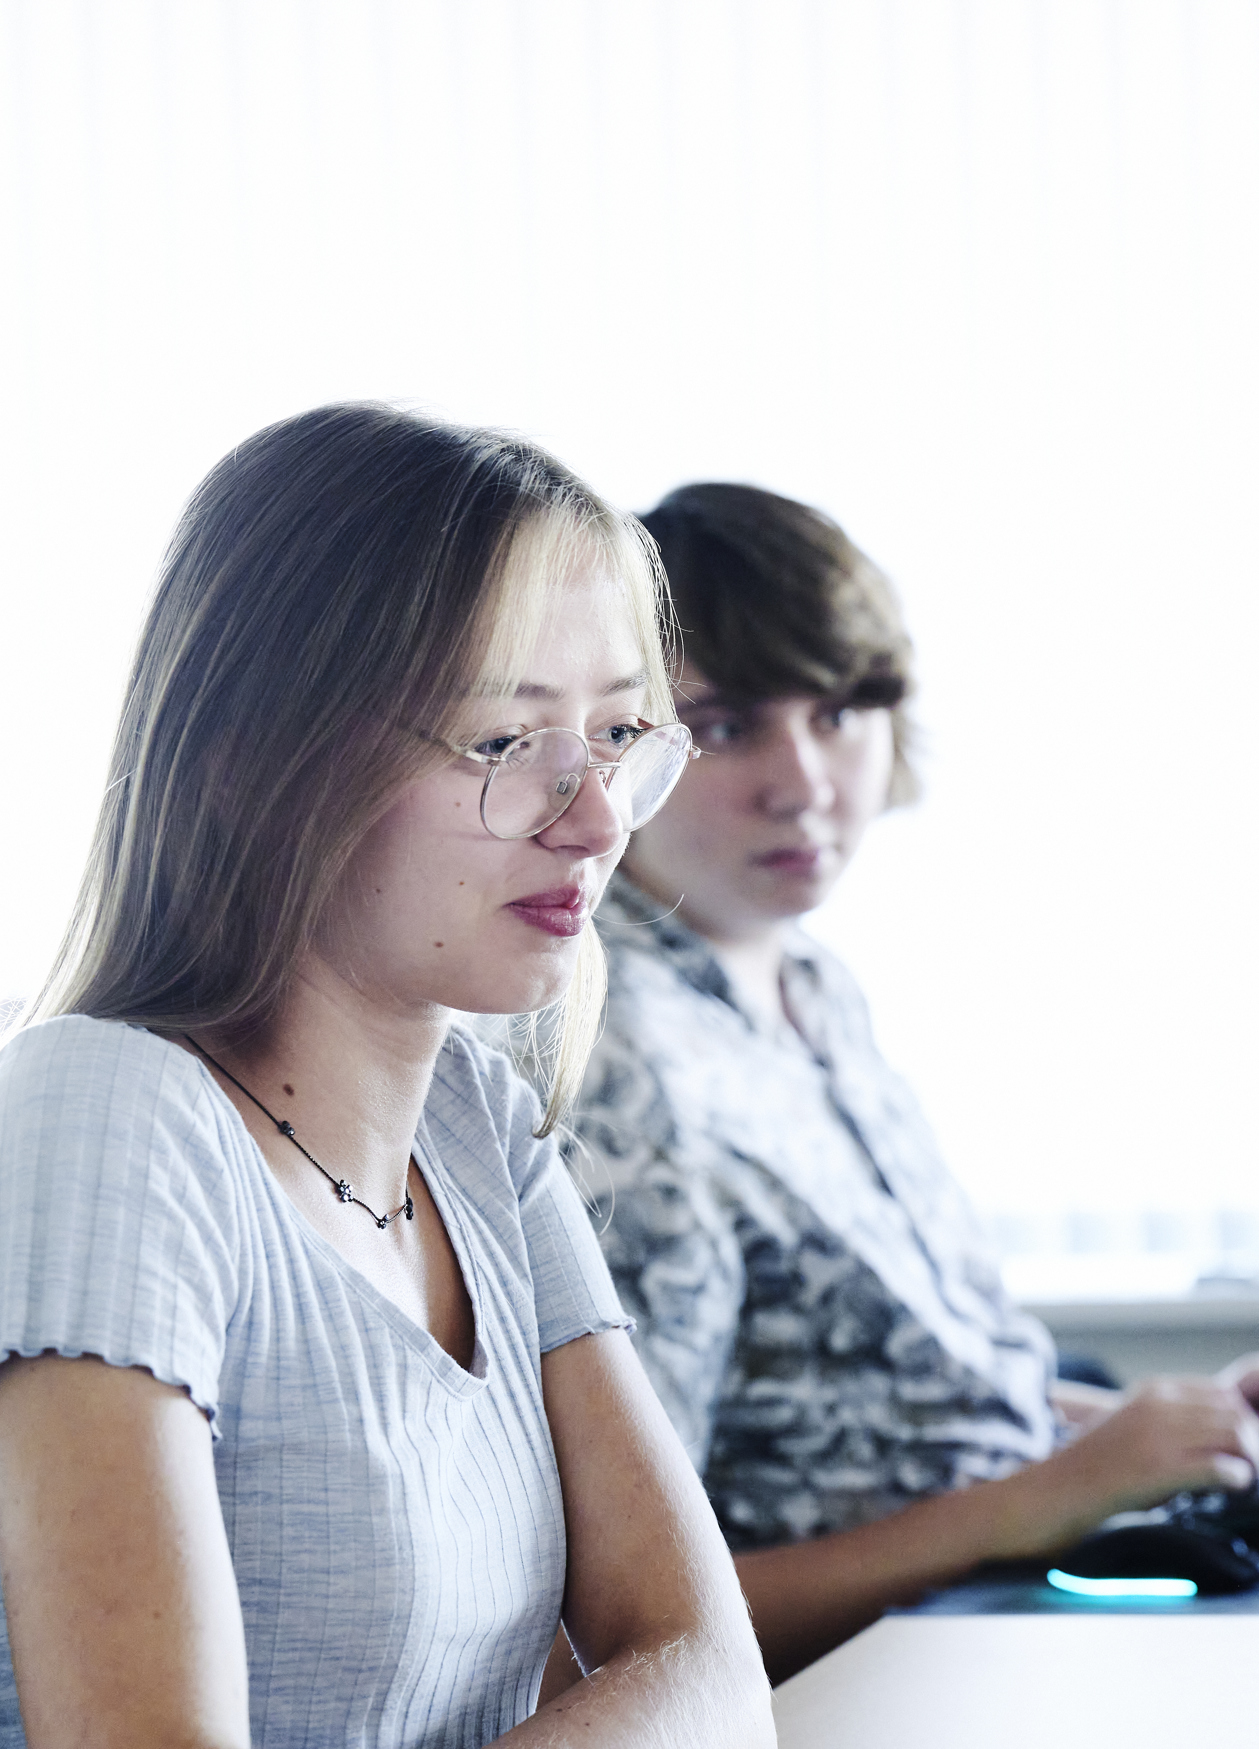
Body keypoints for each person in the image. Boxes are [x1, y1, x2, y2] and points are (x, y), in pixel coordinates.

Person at [0, 413, 775, 1749]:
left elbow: (708, 1671)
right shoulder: (105, 1112)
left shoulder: (476, 1125)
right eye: (503, 743)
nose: (596, 820)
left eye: (616, 733)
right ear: (252, 761)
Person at [566, 481, 1259, 1684]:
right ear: (622, 746)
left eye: (839, 712)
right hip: (871, 1669)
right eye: (726, 726)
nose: (803, 782)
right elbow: (618, 1620)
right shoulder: (618, 1062)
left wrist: (1171, 1437)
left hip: (988, 1606)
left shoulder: (808, 986)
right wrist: (1042, 1500)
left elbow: (895, 1409)